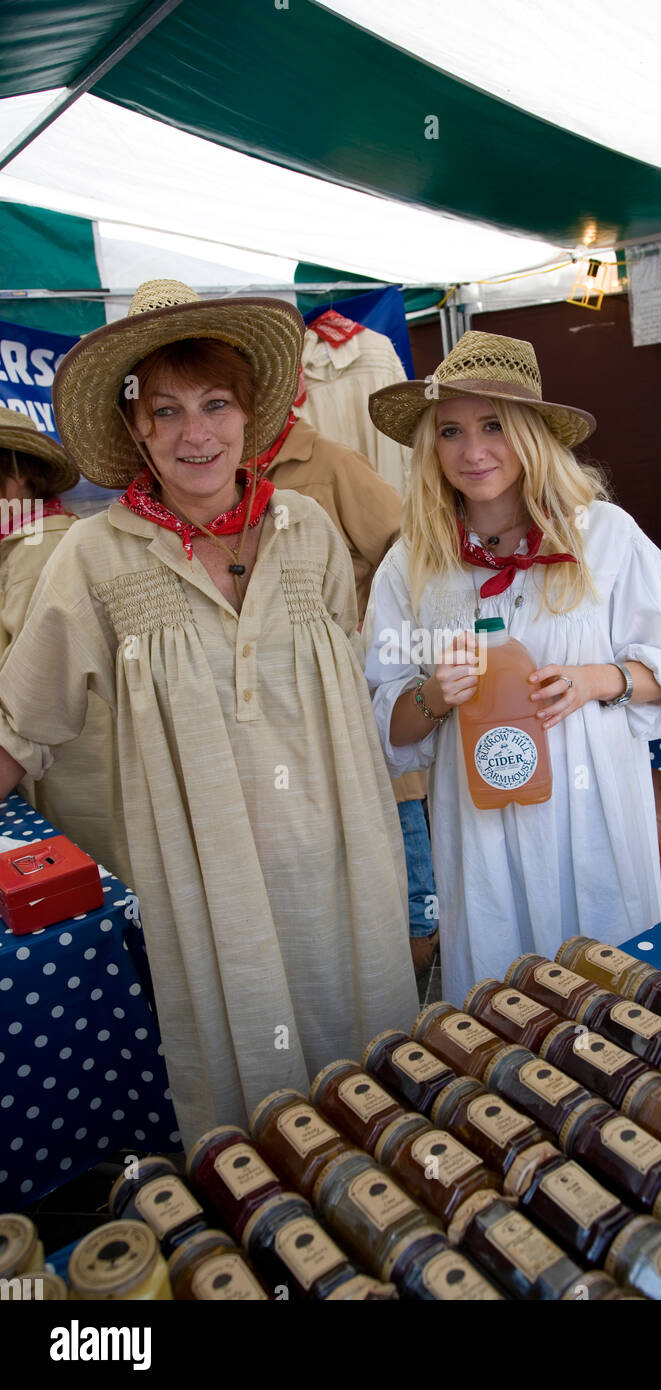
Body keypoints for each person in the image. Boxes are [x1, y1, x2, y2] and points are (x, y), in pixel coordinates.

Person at [0, 279, 418, 1149]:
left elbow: (339, 674)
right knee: (258, 1102)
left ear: (248, 413)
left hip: (344, 860)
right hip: (210, 881)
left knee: (371, 1074)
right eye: (168, 410)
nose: (197, 434)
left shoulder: (308, 529)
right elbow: (23, 723)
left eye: (216, 404)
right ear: (137, 429)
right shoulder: (94, 554)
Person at [364, 330, 661, 1006]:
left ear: (531, 434)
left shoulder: (604, 536)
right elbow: (388, 723)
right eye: (451, 431)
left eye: (493, 425)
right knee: (506, 1019)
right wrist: (435, 695)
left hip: (595, 818)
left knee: (612, 1012)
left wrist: (593, 680)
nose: (473, 450)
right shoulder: (413, 563)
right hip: (481, 832)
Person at [265, 407, 439, 976]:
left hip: (356, 685)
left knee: (398, 804)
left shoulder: (332, 463)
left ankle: (418, 959)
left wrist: (368, 626)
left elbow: (409, 546)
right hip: (285, 715)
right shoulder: (222, 471)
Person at [0, 408, 131, 885]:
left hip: (67, 763)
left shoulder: (39, 546)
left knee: (91, 870)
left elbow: (27, 682)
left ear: (18, 473)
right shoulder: (21, 543)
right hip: (40, 757)